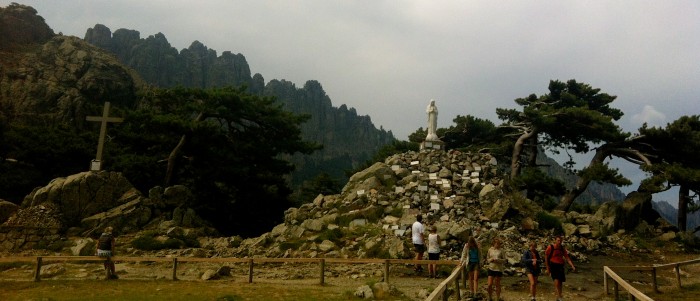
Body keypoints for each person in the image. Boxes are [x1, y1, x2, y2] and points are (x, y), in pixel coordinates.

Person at [545, 236, 576, 301]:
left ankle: (559, 296)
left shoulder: (562, 248)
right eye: (558, 240)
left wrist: (572, 265)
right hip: (553, 265)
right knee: (556, 282)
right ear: (555, 240)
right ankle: (559, 296)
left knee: (560, 282)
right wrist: (548, 268)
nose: (559, 242)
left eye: (560, 241)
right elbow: (546, 257)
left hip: (560, 266)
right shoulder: (551, 247)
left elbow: (567, 257)